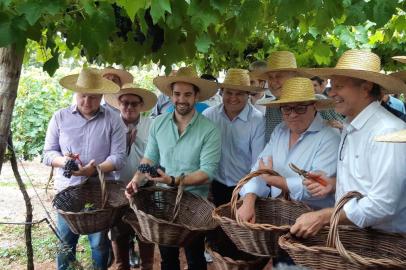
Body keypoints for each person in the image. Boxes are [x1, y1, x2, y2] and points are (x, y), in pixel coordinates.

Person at [291, 49, 406, 238]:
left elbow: (383, 204)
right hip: (356, 240)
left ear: (366, 87)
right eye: (331, 85)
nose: (332, 92)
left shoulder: (387, 131)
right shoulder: (350, 124)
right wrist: (334, 184)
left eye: (339, 86)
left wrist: (325, 216)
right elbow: (367, 181)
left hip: (383, 245)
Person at [125, 66, 221, 270]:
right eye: (177, 94)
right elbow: (149, 158)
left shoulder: (209, 130)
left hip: (194, 205)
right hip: (163, 201)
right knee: (168, 258)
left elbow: (207, 172)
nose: (181, 99)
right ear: (170, 95)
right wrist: (135, 179)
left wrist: (175, 181)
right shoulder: (158, 124)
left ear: (196, 96)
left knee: (195, 257)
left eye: (188, 94)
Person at [43, 68, 126, 270]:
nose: (87, 102)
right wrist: (65, 162)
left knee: (99, 243)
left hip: (99, 192)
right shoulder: (60, 117)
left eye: (93, 97)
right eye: (83, 96)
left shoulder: (113, 119)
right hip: (67, 191)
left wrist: (95, 169)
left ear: (102, 96)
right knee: (65, 242)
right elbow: (48, 153)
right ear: (75, 93)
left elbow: (119, 157)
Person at [238, 77, 340, 219]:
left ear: (314, 106)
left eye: (300, 108)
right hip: (278, 215)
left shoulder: (330, 136)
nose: (292, 114)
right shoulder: (280, 130)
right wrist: (249, 200)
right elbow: (259, 167)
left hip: (314, 222)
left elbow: (317, 187)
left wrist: (273, 180)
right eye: (286, 108)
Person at [104, 83, 158, 270]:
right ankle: (122, 264)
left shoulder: (151, 125)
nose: (129, 107)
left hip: (145, 187)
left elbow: (155, 155)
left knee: (146, 231)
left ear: (142, 106)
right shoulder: (111, 123)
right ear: (119, 104)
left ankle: (147, 265)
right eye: (125, 103)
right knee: (119, 232)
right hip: (117, 187)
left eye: (134, 104)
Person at [203, 68, 265, 206]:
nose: (233, 98)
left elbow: (257, 162)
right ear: (222, 92)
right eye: (229, 92)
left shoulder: (257, 120)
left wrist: (249, 194)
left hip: (245, 187)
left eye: (239, 94)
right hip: (215, 185)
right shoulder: (209, 116)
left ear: (248, 94)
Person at [253, 51, 343, 142]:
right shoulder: (271, 107)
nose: (273, 82)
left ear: (294, 77)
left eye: (279, 76)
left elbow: (342, 129)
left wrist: (338, 128)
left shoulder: (316, 101)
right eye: (270, 77)